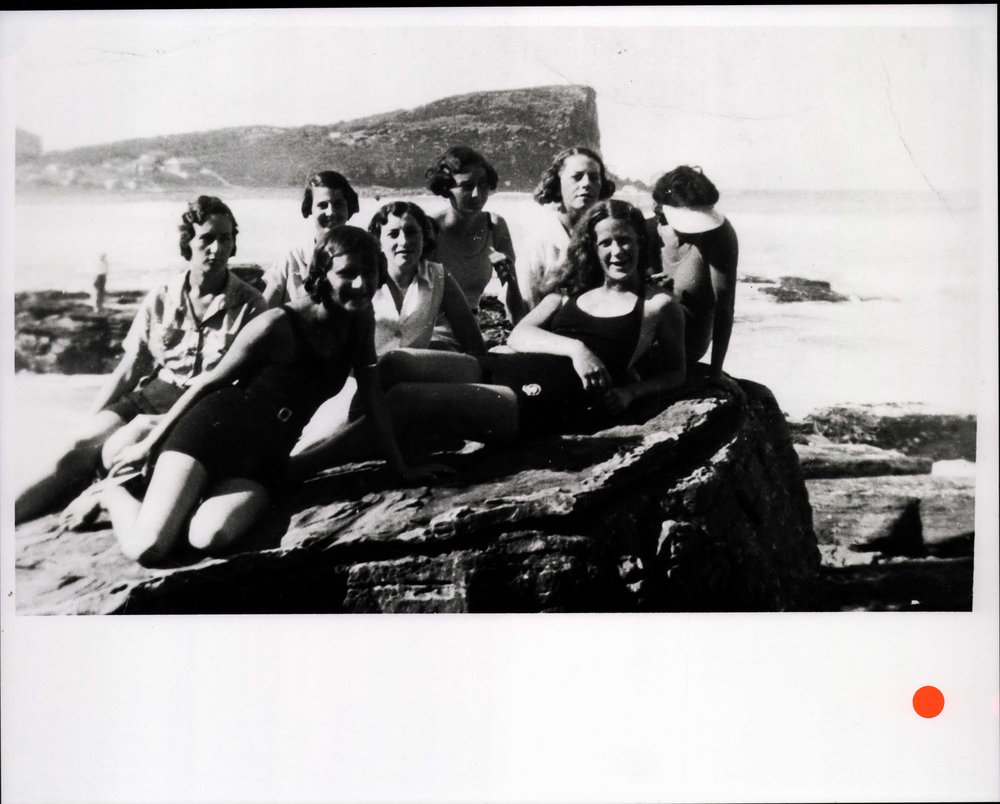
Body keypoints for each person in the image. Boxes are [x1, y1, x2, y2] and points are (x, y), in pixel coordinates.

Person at [102, 227, 430, 566]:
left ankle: (177, 497)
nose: (361, 284)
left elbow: (373, 392)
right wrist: (149, 445)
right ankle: (113, 492)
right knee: (151, 548)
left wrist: (401, 468)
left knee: (211, 538)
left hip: (266, 454)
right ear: (322, 274)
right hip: (211, 432)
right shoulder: (277, 323)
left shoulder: (359, 317)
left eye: (369, 272)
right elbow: (207, 383)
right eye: (347, 273)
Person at [289, 200, 686, 477]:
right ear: (591, 248)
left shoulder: (657, 305)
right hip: (501, 365)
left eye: (625, 240)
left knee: (406, 399)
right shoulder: (569, 294)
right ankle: (347, 443)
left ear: (640, 242)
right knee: (393, 365)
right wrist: (577, 348)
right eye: (606, 242)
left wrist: (633, 393)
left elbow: (676, 374)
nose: (617, 251)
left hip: (537, 402)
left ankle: (300, 468)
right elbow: (521, 333)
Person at [15, 196, 265, 525]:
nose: (217, 248)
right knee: (77, 444)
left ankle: (95, 495)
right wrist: (91, 415)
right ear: (187, 242)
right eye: (206, 238)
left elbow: (249, 383)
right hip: (153, 393)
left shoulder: (250, 305)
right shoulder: (161, 297)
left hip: (202, 405)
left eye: (226, 238)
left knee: (117, 449)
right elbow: (131, 369)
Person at [647, 165, 739, 389]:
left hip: (689, 345)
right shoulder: (644, 231)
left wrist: (716, 372)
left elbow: (724, 307)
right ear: (661, 207)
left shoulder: (719, 236)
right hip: (643, 340)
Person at [424, 146, 527, 339]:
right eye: (467, 185)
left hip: (472, 333)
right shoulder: (428, 229)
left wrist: (510, 278)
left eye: (483, 184)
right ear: (446, 189)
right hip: (431, 334)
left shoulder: (495, 226)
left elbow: (516, 308)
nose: (477, 194)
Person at [367, 200, 485, 357]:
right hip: (367, 373)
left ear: (424, 237)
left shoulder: (438, 276)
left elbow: (471, 338)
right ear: (378, 241)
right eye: (393, 234)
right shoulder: (364, 275)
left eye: (411, 232)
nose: (404, 241)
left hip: (415, 375)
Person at [520, 146, 616, 309]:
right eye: (577, 177)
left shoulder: (610, 233)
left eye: (594, 178)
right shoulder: (540, 240)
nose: (586, 184)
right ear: (557, 184)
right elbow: (525, 302)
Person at [261, 170, 360, 307]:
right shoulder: (292, 260)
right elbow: (262, 313)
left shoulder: (363, 258)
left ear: (349, 208)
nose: (331, 212)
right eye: (322, 205)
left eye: (338, 204)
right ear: (310, 209)